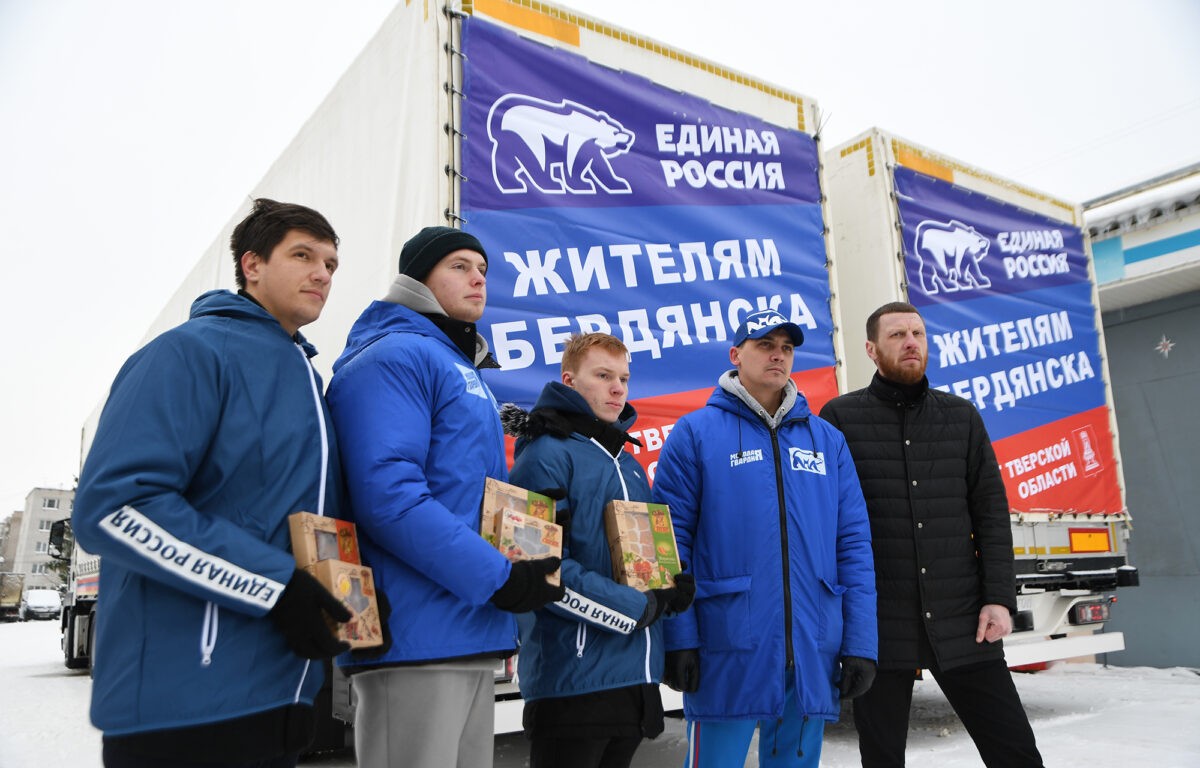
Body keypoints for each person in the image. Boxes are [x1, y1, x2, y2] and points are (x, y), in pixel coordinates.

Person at [73, 198, 351, 768]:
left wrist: (348, 595)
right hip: (186, 703)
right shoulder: (188, 353)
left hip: (281, 691)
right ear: (252, 265)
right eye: (303, 255)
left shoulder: (308, 379)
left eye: (330, 263)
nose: (322, 273)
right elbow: (116, 506)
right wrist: (277, 586)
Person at [326, 226, 564, 768]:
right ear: (418, 277)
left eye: (483, 269)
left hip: (466, 627)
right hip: (415, 632)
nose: (478, 277)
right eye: (459, 265)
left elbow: (459, 492)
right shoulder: (393, 357)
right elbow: (388, 496)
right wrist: (499, 575)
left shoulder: (458, 365)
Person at [819, 301, 1045, 768]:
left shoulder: (961, 418)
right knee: (881, 758)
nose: (910, 343)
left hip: (964, 620)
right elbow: (828, 525)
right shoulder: (839, 419)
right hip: (880, 624)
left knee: (1016, 752)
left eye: (918, 334)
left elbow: (991, 514)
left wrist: (998, 598)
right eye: (897, 335)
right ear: (871, 349)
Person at [652, 309, 878, 768]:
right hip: (727, 644)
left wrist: (859, 644)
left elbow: (853, 545)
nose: (778, 355)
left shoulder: (827, 441)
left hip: (812, 646)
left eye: (787, 348)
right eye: (765, 345)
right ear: (736, 355)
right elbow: (669, 543)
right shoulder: (696, 434)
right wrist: (679, 639)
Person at [502, 333, 696, 768]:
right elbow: (538, 567)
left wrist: (668, 586)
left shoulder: (625, 459)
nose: (618, 389)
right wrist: (636, 607)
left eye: (624, 378)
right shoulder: (544, 455)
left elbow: (638, 556)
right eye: (603, 376)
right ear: (569, 381)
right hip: (572, 681)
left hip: (632, 678)